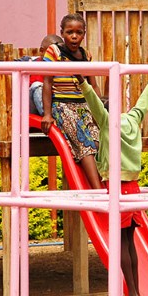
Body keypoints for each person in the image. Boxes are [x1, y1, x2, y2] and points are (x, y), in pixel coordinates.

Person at [76, 63, 148, 296]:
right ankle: (135, 290)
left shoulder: (107, 122)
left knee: (120, 243)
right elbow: (144, 101)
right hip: (133, 187)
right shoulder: (133, 118)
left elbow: (93, 103)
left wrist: (82, 81)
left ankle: (133, 293)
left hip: (116, 187)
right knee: (130, 241)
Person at [41, 13, 102, 190]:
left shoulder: (86, 55)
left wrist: (99, 112)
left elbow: (93, 85)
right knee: (84, 142)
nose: (74, 36)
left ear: (84, 34)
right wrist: (47, 114)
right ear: (62, 33)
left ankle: (105, 183)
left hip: (84, 105)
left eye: (78, 32)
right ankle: (98, 190)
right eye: (69, 32)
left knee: (99, 140)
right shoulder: (55, 51)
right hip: (62, 105)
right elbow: (47, 82)